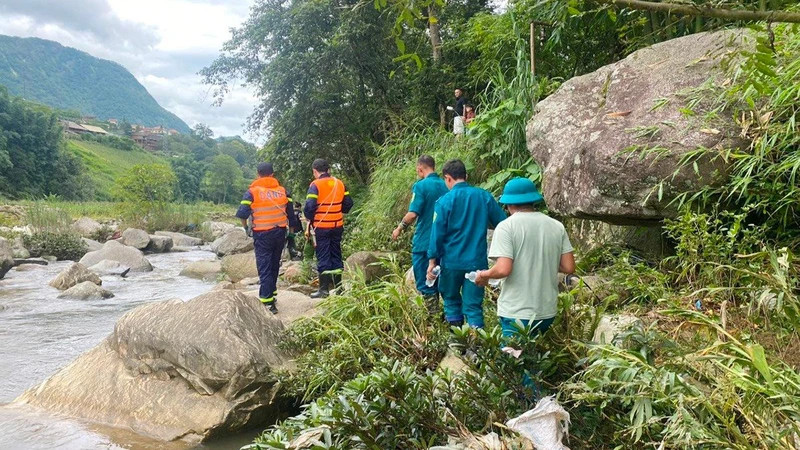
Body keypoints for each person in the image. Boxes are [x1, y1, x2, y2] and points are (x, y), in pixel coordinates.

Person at [474, 177, 575, 339]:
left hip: (518, 312)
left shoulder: (507, 227)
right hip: (546, 312)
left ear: (509, 204)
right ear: (533, 200)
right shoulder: (556, 226)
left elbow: (503, 269)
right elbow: (569, 267)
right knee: (534, 358)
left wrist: (483, 275)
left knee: (512, 362)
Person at [427, 159, 506, 328]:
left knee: (451, 301)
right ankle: (477, 349)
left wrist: (432, 262)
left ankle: (458, 345)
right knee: (473, 306)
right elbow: (503, 224)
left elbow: (436, 235)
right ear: (466, 176)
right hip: (476, 263)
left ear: (448, 178)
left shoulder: (444, 202)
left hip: (451, 262)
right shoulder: (483, 196)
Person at [236, 162, 301, 314]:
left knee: (264, 265)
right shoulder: (284, 191)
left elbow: (242, 214)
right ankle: (272, 293)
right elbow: (291, 217)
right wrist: (291, 235)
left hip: (262, 234)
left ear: (258, 174)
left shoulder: (252, 192)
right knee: (274, 264)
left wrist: (246, 228)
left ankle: (267, 301)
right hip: (279, 233)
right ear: (272, 174)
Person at [391, 155, 449, 310]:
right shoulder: (445, 185)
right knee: (441, 279)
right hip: (445, 241)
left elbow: (413, 214)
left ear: (420, 169)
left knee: (425, 281)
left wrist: (399, 228)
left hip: (425, 241)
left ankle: (433, 316)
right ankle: (447, 317)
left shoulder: (421, 186)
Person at [304, 158, 354, 298]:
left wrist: (310, 218)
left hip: (322, 227)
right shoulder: (340, 183)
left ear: (315, 171)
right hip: (337, 225)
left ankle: (324, 290)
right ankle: (339, 288)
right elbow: (348, 204)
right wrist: (337, 210)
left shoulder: (315, 185)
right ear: (328, 170)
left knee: (323, 256)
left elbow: (309, 206)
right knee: (336, 255)